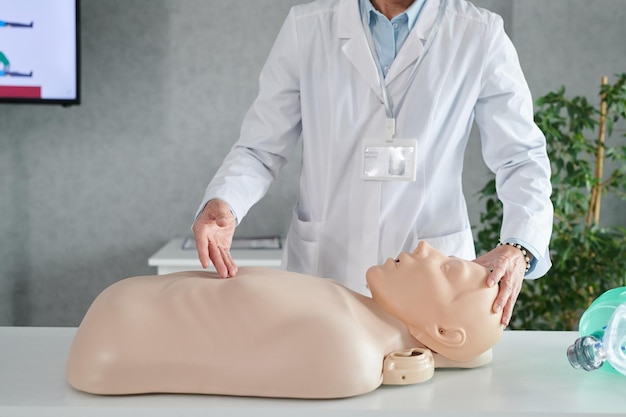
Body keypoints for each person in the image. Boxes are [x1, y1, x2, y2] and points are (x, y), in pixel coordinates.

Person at [192, 0, 553, 328]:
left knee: (427, 393)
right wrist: (224, 201)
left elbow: (521, 156)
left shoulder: (478, 32)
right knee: (323, 381)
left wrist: (520, 246)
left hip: (433, 285)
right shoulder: (308, 27)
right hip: (327, 270)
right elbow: (260, 147)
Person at [66, 242, 503, 399]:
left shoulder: (349, 353)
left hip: (114, 336)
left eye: (448, 269)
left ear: (443, 332)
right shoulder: (350, 315)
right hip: (120, 320)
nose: (427, 247)